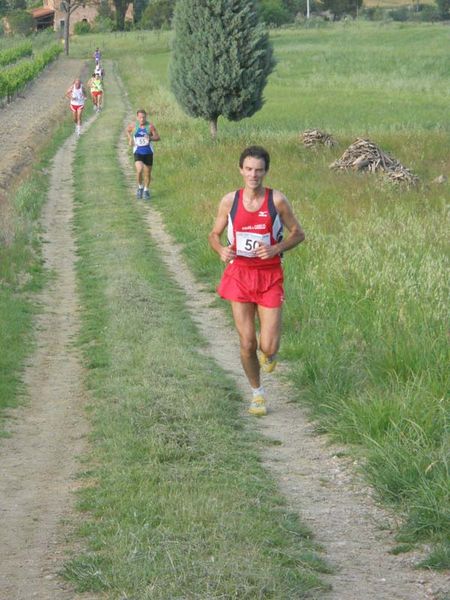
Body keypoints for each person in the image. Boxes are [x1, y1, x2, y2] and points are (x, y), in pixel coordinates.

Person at [208, 146, 305, 416]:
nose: (254, 175)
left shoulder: (277, 201)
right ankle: (257, 394)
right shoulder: (229, 201)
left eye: (259, 170)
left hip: (270, 274)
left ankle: (269, 354)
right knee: (248, 342)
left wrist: (277, 247)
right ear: (241, 169)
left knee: (268, 347)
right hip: (239, 273)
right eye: (249, 169)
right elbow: (214, 235)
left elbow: (299, 233)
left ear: (266, 172)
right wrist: (220, 250)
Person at [126, 109, 160, 200]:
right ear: (137, 117)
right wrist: (130, 139)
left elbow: (157, 137)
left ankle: (146, 190)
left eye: (144, 117)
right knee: (139, 170)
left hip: (148, 152)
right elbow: (127, 131)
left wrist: (151, 138)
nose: (142, 119)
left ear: (146, 117)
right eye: (140, 117)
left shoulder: (150, 126)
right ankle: (140, 187)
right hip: (138, 151)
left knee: (148, 173)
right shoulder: (134, 126)